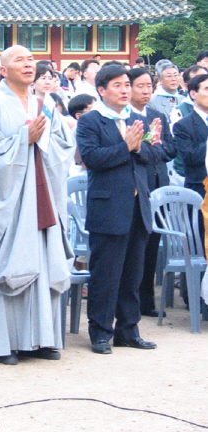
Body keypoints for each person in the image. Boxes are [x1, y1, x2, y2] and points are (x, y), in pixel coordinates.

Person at [0, 45, 75, 364]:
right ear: (3, 70)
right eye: (19, 60)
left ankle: (42, 340)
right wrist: (22, 139)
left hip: (42, 195)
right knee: (12, 260)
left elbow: (63, 147)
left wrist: (37, 139)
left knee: (42, 261)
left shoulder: (45, 105)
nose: (28, 64)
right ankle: (3, 345)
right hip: (9, 201)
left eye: (31, 59)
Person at [76, 64, 163, 354]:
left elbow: (153, 156)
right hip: (108, 207)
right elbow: (92, 158)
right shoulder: (91, 121)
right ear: (101, 90)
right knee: (106, 274)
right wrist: (126, 147)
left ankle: (128, 330)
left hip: (139, 206)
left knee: (133, 274)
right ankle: (101, 332)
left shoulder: (137, 119)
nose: (125, 89)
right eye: (118, 85)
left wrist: (139, 147)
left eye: (127, 84)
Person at [129, 68, 177, 317]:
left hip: (159, 185)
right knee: (136, 246)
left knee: (152, 245)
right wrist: (149, 145)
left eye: (149, 85)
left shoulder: (158, 115)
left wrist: (147, 148)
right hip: (138, 188)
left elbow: (170, 149)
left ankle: (147, 299)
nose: (146, 90)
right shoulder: (126, 117)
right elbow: (137, 151)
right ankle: (130, 299)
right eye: (140, 86)